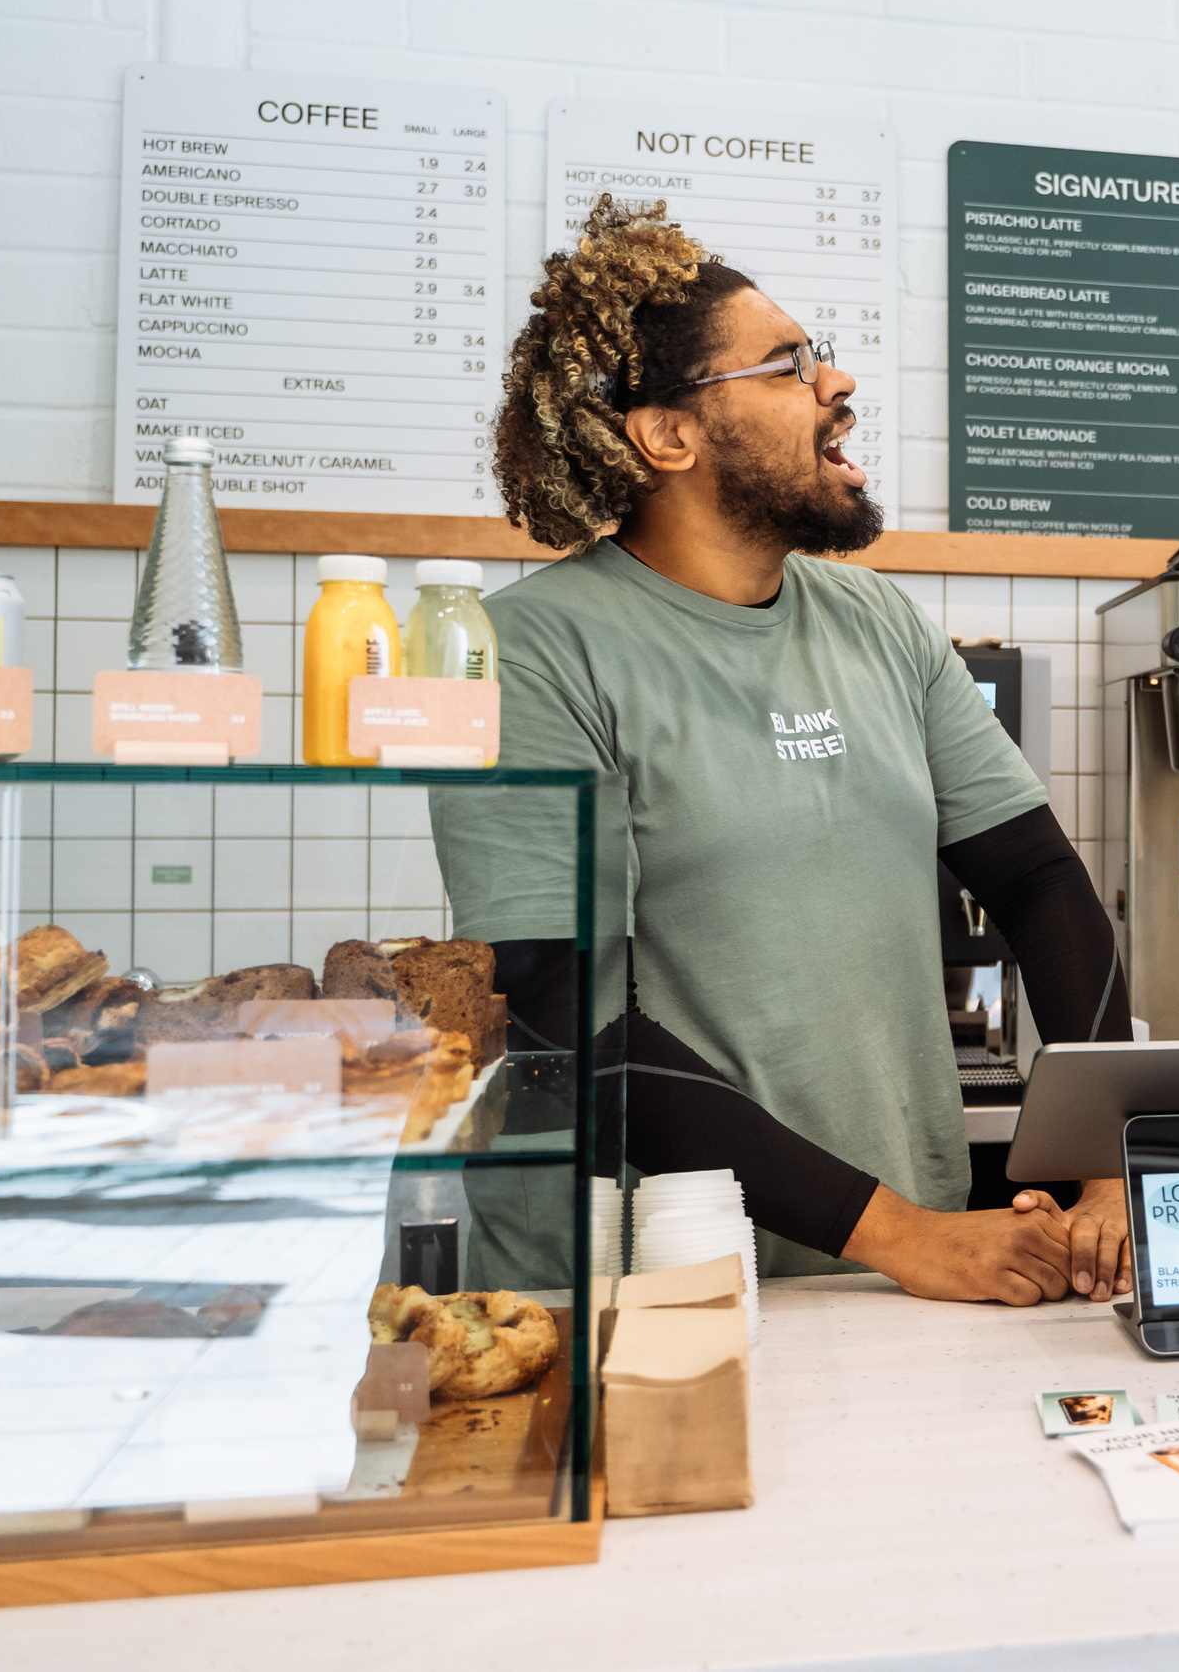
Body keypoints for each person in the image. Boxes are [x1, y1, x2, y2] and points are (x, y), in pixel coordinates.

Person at [429, 196, 1133, 1303]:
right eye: (789, 366)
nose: (836, 384)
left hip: (902, 1271)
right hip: (646, 1286)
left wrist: (1104, 1162)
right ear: (667, 436)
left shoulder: (878, 620)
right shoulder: (527, 652)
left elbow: (1038, 880)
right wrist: (902, 1234)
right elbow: (569, 1019)